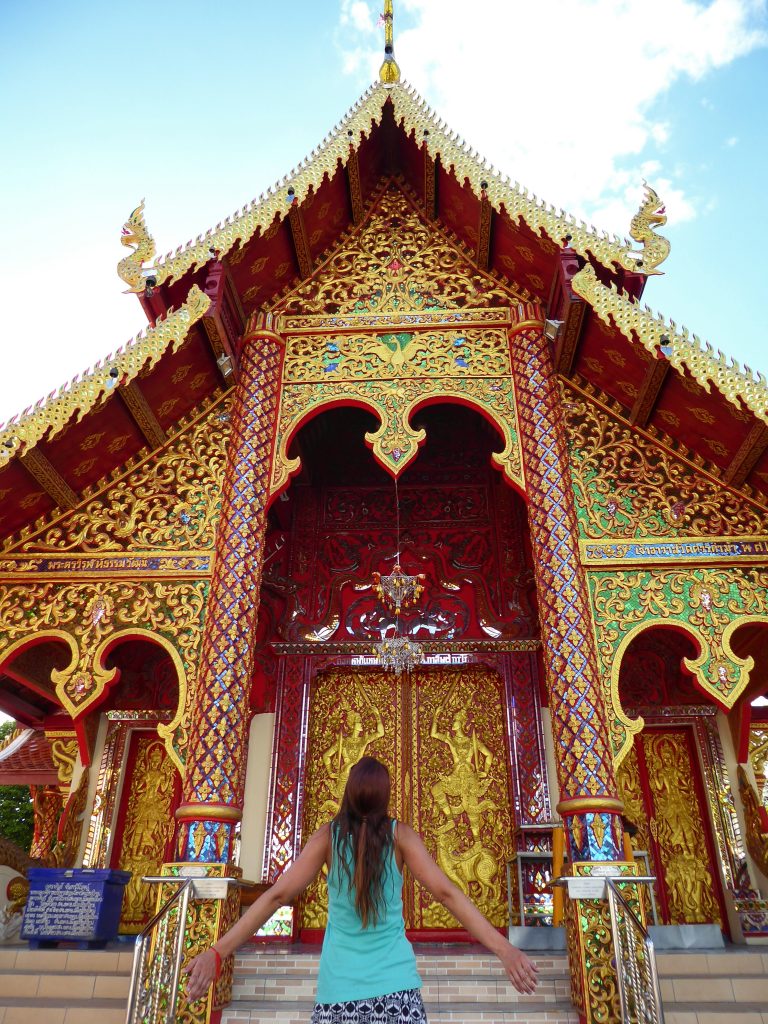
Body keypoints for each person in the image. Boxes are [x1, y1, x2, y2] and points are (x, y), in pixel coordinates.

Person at [184, 756, 538, 1019]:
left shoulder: (327, 837)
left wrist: (217, 952)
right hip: (398, 994)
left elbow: (277, 895)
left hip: (338, 998)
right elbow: (448, 894)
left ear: (348, 793)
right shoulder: (402, 837)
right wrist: (505, 950)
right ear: (385, 796)